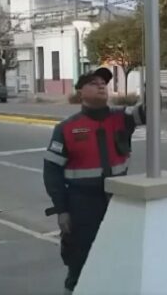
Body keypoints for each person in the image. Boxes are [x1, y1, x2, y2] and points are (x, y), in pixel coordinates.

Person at [43, 67, 145, 294]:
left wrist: (152, 85)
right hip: (83, 205)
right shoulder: (66, 128)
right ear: (80, 92)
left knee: (120, 260)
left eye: (103, 83)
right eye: (93, 83)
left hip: (119, 203)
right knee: (80, 264)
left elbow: (148, 112)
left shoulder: (122, 118)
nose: (101, 86)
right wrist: (62, 210)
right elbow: (52, 171)